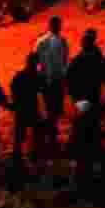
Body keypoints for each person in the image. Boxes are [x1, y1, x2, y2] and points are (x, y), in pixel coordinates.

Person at [65, 29, 104, 190]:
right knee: (92, 127)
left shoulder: (78, 60)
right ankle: (92, 162)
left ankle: (77, 163)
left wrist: (73, 97)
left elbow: (69, 79)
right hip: (93, 97)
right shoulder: (97, 56)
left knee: (80, 127)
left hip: (82, 99)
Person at [10, 53, 46, 183]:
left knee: (19, 134)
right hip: (32, 108)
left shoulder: (19, 75)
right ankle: (35, 156)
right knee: (36, 133)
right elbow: (42, 87)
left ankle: (17, 158)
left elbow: (13, 89)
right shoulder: (36, 76)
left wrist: (16, 102)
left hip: (21, 109)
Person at [34, 17, 69, 149]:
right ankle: (51, 135)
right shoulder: (61, 42)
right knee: (53, 109)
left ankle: (50, 135)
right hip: (54, 81)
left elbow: (36, 62)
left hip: (49, 80)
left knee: (51, 109)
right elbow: (65, 63)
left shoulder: (41, 42)